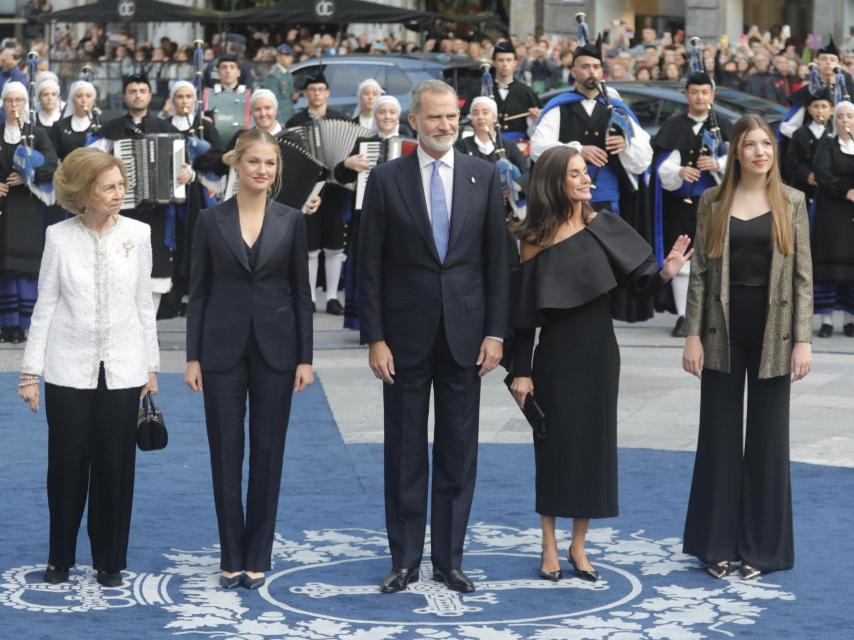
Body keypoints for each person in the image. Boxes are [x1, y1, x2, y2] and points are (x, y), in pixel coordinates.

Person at [508, 145, 691, 583]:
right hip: (553, 355)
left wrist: (666, 272)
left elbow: (641, 283)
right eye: (576, 173)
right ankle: (549, 544)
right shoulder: (533, 239)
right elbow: (522, 314)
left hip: (600, 355)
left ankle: (578, 546)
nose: (587, 179)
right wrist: (520, 369)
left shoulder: (605, 225)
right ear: (555, 181)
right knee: (553, 449)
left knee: (593, 448)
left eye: (585, 172)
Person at [358, 79, 509, 595]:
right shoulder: (384, 180)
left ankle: (449, 559)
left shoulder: (483, 177)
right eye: (434, 118)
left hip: (467, 336)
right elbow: (369, 266)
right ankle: (404, 560)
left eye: (451, 117)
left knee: (458, 450)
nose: (445, 126)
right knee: (403, 451)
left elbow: (497, 264)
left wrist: (495, 332)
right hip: (402, 339)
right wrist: (374, 336)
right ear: (414, 122)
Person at [17, 147, 159, 588]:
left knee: (115, 467)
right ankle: (60, 558)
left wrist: (151, 368)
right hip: (67, 369)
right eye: (109, 187)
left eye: (121, 185)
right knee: (67, 466)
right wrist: (29, 373)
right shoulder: (59, 237)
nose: (120, 193)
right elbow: (46, 305)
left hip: (123, 368)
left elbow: (143, 306)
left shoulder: (139, 233)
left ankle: (109, 561)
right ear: (83, 193)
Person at [682, 114, 813, 580]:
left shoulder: (792, 201)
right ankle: (714, 545)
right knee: (717, 438)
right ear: (735, 151)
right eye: (750, 144)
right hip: (720, 333)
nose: (760, 152)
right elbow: (698, 273)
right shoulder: (713, 201)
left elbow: (802, 276)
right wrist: (692, 334)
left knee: (768, 441)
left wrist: (802, 340)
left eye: (767, 145)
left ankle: (762, 549)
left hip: (775, 335)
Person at [185, 128, 314, 590]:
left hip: (278, 352)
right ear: (236, 165)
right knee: (225, 454)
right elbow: (197, 293)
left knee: (267, 453)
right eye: (254, 162)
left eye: (270, 163)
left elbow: (302, 294)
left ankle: (258, 554)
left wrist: (305, 357)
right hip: (220, 350)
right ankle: (231, 554)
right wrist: (192, 356)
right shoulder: (208, 220)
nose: (262, 170)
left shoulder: (292, 221)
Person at [530, 35, 654, 323]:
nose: (591, 72)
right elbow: (538, 148)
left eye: (596, 67)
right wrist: (577, 150)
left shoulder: (617, 108)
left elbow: (644, 156)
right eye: (584, 67)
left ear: (603, 71)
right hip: (565, 201)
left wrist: (626, 146)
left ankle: (601, 315)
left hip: (607, 200)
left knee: (604, 262)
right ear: (573, 72)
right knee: (568, 259)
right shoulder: (560, 107)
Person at [95, 73, 191, 315]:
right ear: (125, 96)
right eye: (132, 91)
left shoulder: (166, 128)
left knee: (155, 269)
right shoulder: (110, 130)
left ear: (150, 96)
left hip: (157, 213)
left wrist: (187, 175)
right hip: (120, 211)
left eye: (142, 91)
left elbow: (185, 168)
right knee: (119, 267)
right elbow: (92, 164)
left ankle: (148, 324)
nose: (138, 95)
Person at [652, 71, 731, 337]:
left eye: (704, 92)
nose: (699, 97)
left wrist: (718, 164)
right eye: (694, 92)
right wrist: (679, 172)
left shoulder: (726, 126)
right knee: (683, 259)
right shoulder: (673, 126)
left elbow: (745, 161)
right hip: (682, 207)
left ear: (712, 95)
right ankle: (684, 316)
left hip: (718, 205)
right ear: (686, 95)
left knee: (716, 258)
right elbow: (662, 164)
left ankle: (714, 314)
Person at [334, 94, 413, 332]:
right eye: (382, 112)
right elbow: (341, 176)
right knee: (368, 269)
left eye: (391, 112)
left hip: (402, 219)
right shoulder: (364, 144)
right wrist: (346, 164)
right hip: (368, 216)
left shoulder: (411, 144)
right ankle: (367, 322)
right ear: (375, 116)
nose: (387, 117)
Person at [287, 68, 351, 314]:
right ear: (305, 93)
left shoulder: (341, 119)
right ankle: (310, 297)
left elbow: (349, 148)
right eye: (312, 90)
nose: (316, 94)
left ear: (328, 93)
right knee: (310, 246)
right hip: (308, 189)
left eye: (321, 90)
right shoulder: (296, 121)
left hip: (335, 189)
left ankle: (333, 297)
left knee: (335, 245)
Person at [0, 81, 58, 344]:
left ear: (26, 104)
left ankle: (25, 324)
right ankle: (6, 324)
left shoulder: (37, 133)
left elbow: (52, 164)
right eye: (9, 101)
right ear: (3, 104)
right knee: (4, 268)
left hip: (28, 207)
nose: (14, 106)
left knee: (26, 268)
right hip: (3, 208)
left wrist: (28, 177)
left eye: (18, 101)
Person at [165, 80, 223, 316]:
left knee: (194, 241)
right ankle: (172, 293)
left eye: (189, 96)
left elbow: (219, 160)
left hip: (197, 193)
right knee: (173, 241)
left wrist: (199, 155)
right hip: (169, 193)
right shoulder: (164, 125)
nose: (185, 101)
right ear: (173, 100)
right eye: (180, 97)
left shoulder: (204, 127)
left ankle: (192, 293)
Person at [455, 95, 529, 264]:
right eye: (475, 113)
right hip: (473, 214)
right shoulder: (462, 146)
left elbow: (526, 173)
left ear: (494, 117)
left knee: (506, 261)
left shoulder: (507, 146)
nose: (480, 117)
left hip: (505, 215)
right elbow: (458, 177)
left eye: (485, 112)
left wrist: (514, 186)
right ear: (471, 119)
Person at [810, 100, 854, 336]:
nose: (845, 120)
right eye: (840, 116)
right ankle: (826, 321)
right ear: (834, 120)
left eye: (849, 116)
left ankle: (849, 320)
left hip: (852, 215)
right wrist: (845, 191)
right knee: (828, 268)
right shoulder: (827, 144)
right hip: (831, 212)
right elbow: (822, 172)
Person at [780, 37, 854, 140]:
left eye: (832, 60)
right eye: (824, 59)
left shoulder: (847, 92)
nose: (828, 62)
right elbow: (786, 127)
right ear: (817, 63)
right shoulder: (808, 91)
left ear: (839, 65)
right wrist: (808, 139)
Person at [782, 89, 833, 208]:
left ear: (831, 110)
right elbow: (790, 159)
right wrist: (806, 174)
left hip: (829, 193)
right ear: (809, 109)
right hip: (803, 190)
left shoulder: (836, 134)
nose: (819, 110)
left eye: (824, 106)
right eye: (815, 106)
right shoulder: (800, 133)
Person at [491, 40, 542, 141]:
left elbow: (538, 128)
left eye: (508, 60)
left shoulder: (526, 92)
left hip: (519, 146)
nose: (505, 64)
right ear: (494, 62)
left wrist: (536, 119)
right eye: (501, 60)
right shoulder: (483, 89)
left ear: (515, 63)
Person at [262, 44, 297, 125]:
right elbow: (271, 100)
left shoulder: (287, 74)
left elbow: (289, 96)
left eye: (291, 56)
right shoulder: (273, 75)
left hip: (289, 115)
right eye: (287, 55)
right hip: (280, 118)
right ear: (278, 57)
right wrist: (277, 120)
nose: (291, 58)